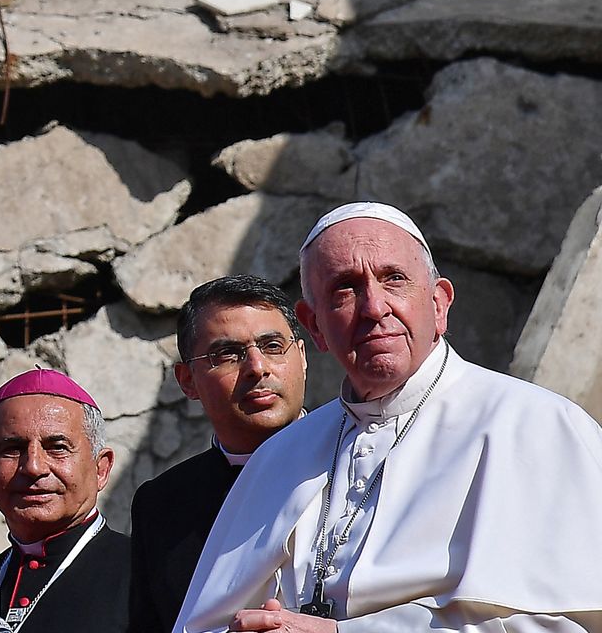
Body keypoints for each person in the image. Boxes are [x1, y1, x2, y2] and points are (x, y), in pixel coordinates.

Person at [173, 202, 602, 632]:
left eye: (393, 279)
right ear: (315, 326)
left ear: (439, 304)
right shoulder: (278, 459)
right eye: (345, 288)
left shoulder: (539, 427)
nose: (374, 307)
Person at [129, 275, 308, 633]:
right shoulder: (161, 505)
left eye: (272, 345)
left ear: (302, 357)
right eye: (228, 354)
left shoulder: (359, 459)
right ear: (187, 381)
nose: (258, 367)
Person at [0, 368, 130, 633]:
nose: (33, 467)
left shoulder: (146, 574)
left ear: (100, 469)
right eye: (13, 449)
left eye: (57, 447)